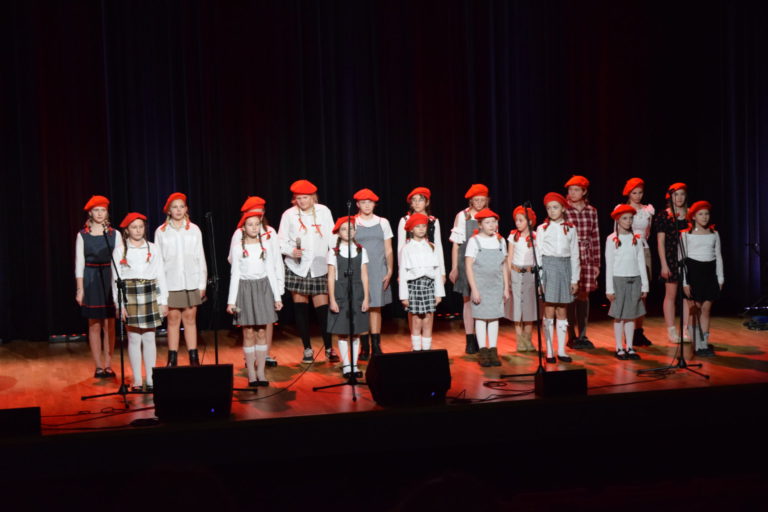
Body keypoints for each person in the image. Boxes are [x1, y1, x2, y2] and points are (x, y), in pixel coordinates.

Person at [277, 180, 337, 364]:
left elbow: (332, 237)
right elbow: (280, 240)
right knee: (301, 308)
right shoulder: (289, 215)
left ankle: (329, 347)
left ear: (313, 197)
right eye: (298, 198)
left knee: (322, 309)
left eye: (305, 198)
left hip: (319, 265)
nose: (302, 201)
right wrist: (290, 251)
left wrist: (335, 259)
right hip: (298, 267)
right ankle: (307, 349)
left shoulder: (323, 211)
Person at [227, 208, 284, 386]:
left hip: (263, 289)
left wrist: (277, 297)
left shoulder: (264, 247)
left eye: (256, 224)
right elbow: (235, 275)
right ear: (243, 228)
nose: (253, 227)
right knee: (248, 332)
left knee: (261, 331)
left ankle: (261, 372)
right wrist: (231, 301)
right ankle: (251, 372)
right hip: (245, 290)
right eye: (250, 224)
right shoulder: (238, 249)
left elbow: (271, 272)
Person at [112, 212, 168, 390]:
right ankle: (137, 380)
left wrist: (163, 301)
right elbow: (116, 279)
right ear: (127, 230)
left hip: (149, 292)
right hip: (130, 294)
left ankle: (151, 379)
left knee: (150, 337)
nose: (138, 230)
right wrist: (119, 304)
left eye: (141, 227)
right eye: (134, 227)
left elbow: (160, 275)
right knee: (134, 338)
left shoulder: (153, 248)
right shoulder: (120, 250)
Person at [154, 192, 208, 366]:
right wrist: (160, 288)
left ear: (186, 209)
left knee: (190, 319)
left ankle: (194, 357)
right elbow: (158, 262)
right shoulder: (161, 232)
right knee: (173, 319)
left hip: (191, 282)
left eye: (181, 207)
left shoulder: (194, 229)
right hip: (171, 283)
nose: (178, 210)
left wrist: (202, 283)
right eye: (174, 207)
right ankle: (172, 358)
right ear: (169, 211)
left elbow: (200, 257)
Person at [75, 195, 117, 378]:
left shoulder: (114, 234)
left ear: (107, 212)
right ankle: (98, 365)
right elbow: (79, 264)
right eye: (96, 210)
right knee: (94, 325)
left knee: (109, 325)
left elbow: (120, 261)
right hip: (91, 279)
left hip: (109, 279)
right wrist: (80, 289)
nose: (100, 213)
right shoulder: (83, 235)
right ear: (90, 213)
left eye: (103, 210)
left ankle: (108, 364)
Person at [537, 193, 580, 364]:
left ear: (563, 208)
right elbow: (539, 255)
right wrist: (540, 280)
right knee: (549, 309)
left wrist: (574, 279)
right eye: (549, 208)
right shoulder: (542, 228)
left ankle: (561, 350)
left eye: (555, 207)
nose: (552, 211)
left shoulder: (571, 228)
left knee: (562, 309)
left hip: (565, 268)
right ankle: (549, 351)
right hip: (548, 267)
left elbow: (575, 254)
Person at [464, 208, 510, 367]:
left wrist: (506, 287)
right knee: (481, 318)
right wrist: (474, 289)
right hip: (481, 286)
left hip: (496, 285)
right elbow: (469, 266)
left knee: (494, 317)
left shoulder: (500, 241)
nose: (491, 225)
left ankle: (493, 350)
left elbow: (504, 265)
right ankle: (483, 351)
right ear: (480, 225)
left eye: (494, 222)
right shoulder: (474, 241)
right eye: (487, 222)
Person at [449, 184, 491, 355]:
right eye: (476, 200)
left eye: (482, 200)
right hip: (465, 263)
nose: (479, 203)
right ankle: (470, 338)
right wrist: (454, 267)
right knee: (467, 301)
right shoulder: (463, 216)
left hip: (484, 262)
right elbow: (456, 244)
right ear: (471, 200)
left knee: (482, 300)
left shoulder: (490, 216)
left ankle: (481, 339)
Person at [351, 189, 393, 360]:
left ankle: (376, 345)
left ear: (375, 204)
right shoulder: (353, 222)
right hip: (359, 270)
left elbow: (388, 249)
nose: (367, 205)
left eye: (370, 202)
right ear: (357, 204)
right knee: (362, 308)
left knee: (376, 307)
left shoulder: (383, 222)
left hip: (377, 269)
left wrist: (390, 270)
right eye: (363, 202)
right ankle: (364, 346)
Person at [327, 216, 370, 377]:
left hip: (357, 292)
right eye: (344, 229)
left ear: (355, 231)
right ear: (338, 233)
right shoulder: (334, 252)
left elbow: (364, 275)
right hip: (341, 292)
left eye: (351, 228)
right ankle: (346, 365)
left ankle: (354, 365)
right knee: (343, 331)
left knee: (356, 330)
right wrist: (332, 299)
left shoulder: (361, 250)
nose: (348, 232)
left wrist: (366, 297)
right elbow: (331, 276)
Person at [680, 201, 724, 357]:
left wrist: (720, 278)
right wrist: (685, 282)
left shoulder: (714, 234)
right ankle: (697, 345)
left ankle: (704, 343)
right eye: (700, 214)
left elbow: (718, 256)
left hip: (709, 273)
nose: (704, 217)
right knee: (694, 309)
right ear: (693, 217)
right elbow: (682, 260)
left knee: (706, 309)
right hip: (693, 273)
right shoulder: (686, 235)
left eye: (707, 214)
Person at [605, 205, 649, 360]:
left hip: (634, 279)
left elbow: (641, 261)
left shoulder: (636, 238)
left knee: (631, 315)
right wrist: (609, 289)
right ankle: (619, 347)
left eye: (631, 218)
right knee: (619, 315)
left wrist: (645, 285)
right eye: (625, 218)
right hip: (618, 279)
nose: (628, 221)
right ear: (618, 220)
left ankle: (629, 346)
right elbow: (609, 264)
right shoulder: (611, 239)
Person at [399, 213, 445, 351]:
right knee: (416, 320)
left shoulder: (432, 246)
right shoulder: (407, 248)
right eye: (417, 226)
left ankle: (427, 350)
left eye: (423, 226)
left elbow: (437, 271)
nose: (421, 229)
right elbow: (403, 272)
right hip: (414, 286)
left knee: (428, 319)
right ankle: (416, 349)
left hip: (429, 285)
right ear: (411, 229)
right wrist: (404, 296)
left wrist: (439, 293)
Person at [618, 178, 655, 346]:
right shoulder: (621, 209)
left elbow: (648, 232)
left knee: (642, 292)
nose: (638, 196)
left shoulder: (648, 210)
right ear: (628, 193)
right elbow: (617, 231)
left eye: (640, 192)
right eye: (634, 193)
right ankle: (627, 330)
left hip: (643, 249)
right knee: (628, 291)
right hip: (626, 250)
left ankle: (638, 330)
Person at [563, 175, 600, 349]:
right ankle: (571, 335)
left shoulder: (592, 211)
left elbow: (595, 236)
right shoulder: (564, 209)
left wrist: (596, 263)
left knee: (584, 294)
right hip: (569, 256)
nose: (572, 193)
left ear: (584, 191)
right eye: (570, 190)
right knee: (571, 294)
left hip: (586, 256)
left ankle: (583, 335)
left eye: (576, 190)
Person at [653, 182, 691, 343]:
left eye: (682, 194)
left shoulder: (691, 214)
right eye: (676, 194)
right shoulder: (664, 216)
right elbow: (660, 241)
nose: (679, 198)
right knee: (671, 295)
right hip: (671, 258)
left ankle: (686, 329)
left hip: (689, 258)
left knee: (688, 296)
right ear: (670, 197)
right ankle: (671, 330)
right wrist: (664, 264)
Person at [505, 206, 539, 353]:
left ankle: (528, 338)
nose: (517, 223)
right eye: (516, 220)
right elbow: (509, 257)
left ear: (529, 221)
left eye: (521, 220)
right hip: (516, 274)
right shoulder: (513, 236)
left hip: (530, 275)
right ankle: (520, 340)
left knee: (529, 307)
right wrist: (508, 276)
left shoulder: (536, 236)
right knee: (517, 308)